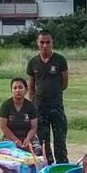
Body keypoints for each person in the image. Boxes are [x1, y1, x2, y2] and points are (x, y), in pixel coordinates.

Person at [27, 30, 69, 163]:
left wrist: (54, 92)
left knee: (60, 140)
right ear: (37, 44)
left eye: (48, 42)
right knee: (43, 141)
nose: (45, 45)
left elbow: (65, 83)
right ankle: (47, 166)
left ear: (52, 43)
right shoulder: (33, 62)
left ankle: (62, 166)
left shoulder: (60, 60)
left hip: (56, 105)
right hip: (40, 107)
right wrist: (31, 106)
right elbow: (31, 86)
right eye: (42, 42)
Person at [0, 77, 38, 151]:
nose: (17, 90)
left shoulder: (31, 106)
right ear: (11, 91)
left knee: (38, 151)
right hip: (10, 137)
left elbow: (34, 127)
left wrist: (28, 139)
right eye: (15, 88)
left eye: (20, 87)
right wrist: (15, 140)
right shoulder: (6, 105)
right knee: (5, 153)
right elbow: (3, 126)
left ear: (26, 90)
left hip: (28, 137)